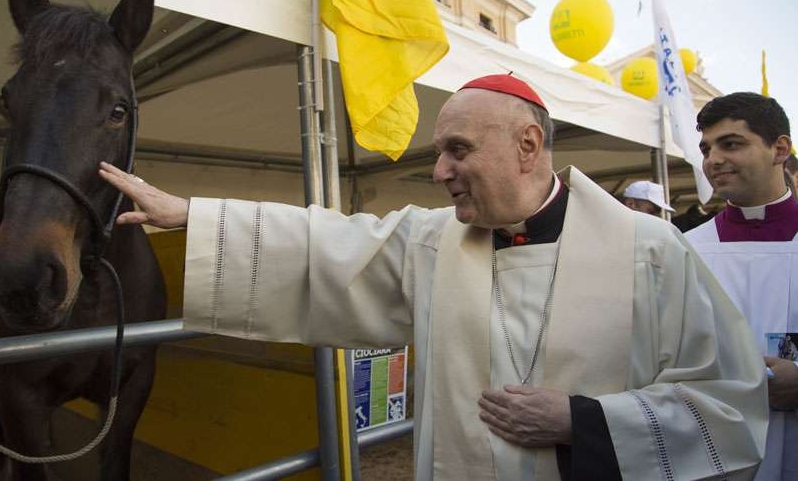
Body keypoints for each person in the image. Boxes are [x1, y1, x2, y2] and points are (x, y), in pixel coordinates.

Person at [101, 75, 767, 480]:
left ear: (528, 145)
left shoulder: (650, 253)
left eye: (458, 150)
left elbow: (727, 407)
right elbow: (323, 247)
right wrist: (195, 216)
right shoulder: (432, 240)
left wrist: (583, 421)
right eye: (439, 151)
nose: (439, 170)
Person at [685, 92, 798, 481]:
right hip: (714, 445)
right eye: (706, 149)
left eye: (730, 144)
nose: (713, 160)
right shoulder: (685, 248)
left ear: (779, 149)